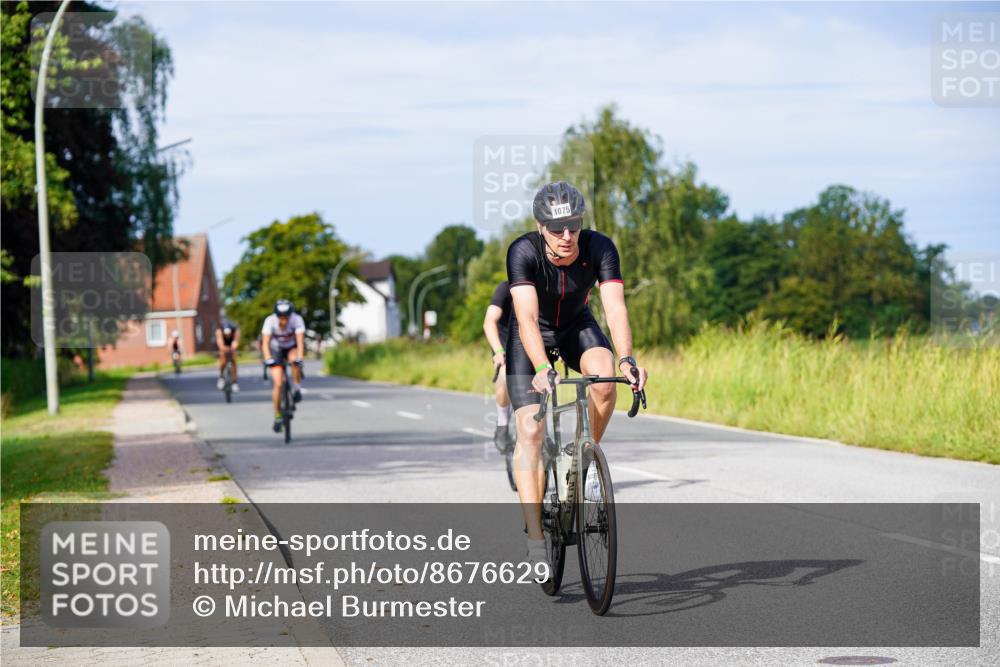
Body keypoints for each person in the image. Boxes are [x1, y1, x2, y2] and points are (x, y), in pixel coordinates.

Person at [506, 181, 649, 569]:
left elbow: (615, 309)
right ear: (540, 228)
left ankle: (584, 461)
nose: (567, 235)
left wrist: (627, 360)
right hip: (531, 336)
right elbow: (524, 318)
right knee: (531, 431)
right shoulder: (523, 251)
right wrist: (541, 368)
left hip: (576, 327)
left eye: (573, 225)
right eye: (556, 229)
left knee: (604, 381)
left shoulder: (599, 247)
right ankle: (536, 537)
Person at [261, 300, 306, 431]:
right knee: (279, 383)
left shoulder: (297, 319)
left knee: (295, 360)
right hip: (276, 350)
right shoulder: (270, 321)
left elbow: (300, 342)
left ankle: (297, 387)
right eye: (281, 317)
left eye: (286, 317)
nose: (284, 320)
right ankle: (277, 415)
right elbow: (265, 343)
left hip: (291, 347)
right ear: (276, 315)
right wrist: (268, 358)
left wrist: (300, 358)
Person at [483, 280, 515, 453]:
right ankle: (502, 424)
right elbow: (489, 321)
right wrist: (498, 350)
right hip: (505, 346)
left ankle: (547, 434)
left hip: (533, 344)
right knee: (504, 375)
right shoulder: (505, 288)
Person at [215, 319, 240, 392]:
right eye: (226, 334)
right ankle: (221, 377)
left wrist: (233, 347)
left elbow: (236, 342)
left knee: (234, 360)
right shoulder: (219, 331)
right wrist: (224, 349)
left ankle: (234, 382)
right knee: (222, 359)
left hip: (231, 343)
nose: (227, 335)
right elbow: (220, 344)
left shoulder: (235, 330)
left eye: (229, 333)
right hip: (224, 343)